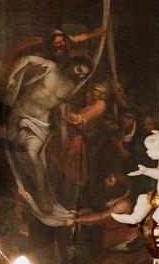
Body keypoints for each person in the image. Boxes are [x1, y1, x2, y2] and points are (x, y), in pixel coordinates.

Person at [5, 54, 93, 224]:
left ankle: (44, 201)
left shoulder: (71, 87)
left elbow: (61, 108)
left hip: (40, 124)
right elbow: (27, 59)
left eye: (84, 75)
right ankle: (30, 194)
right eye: (80, 70)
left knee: (33, 154)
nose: (80, 75)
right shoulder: (51, 67)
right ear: (73, 63)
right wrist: (12, 77)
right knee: (16, 154)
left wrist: (67, 124)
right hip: (19, 114)